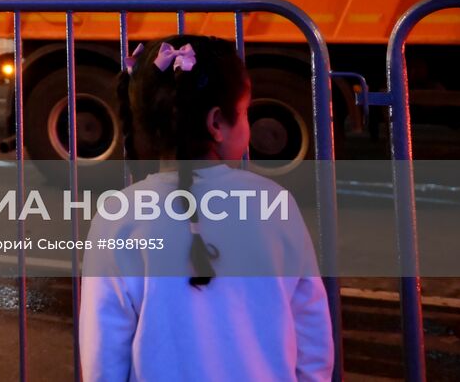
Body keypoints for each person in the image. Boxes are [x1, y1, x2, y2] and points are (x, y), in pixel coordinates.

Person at [79, 35, 333, 382]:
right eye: (245, 112)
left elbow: (103, 351)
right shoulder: (274, 204)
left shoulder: (118, 216)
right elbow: (311, 327)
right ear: (216, 123)